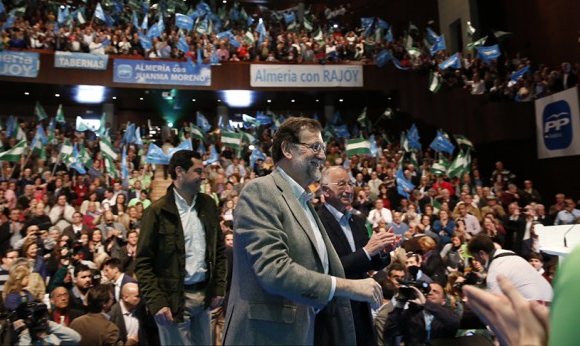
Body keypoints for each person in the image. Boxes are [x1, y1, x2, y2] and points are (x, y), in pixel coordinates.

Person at [223, 117, 382, 345]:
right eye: (315, 147)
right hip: (266, 335)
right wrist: (349, 287)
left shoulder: (305, 202)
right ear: (287, 149)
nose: (323, 156)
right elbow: (273, 270)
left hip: (304, 332)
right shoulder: (260, 191)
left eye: (323, 148)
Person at [136, 150, 226, 345]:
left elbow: (218, 249)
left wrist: (219, 286)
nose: (203, 176)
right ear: (179, 171)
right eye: (198, 171)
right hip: (172, 300)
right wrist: (156, 302)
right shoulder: (156, 211)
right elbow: (143, 262)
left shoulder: (208, 204)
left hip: (204, 298)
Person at [317, 166, 399, 345]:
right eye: (341, 184)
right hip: (334, 309)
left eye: (350, 184)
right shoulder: (316, 223)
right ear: (325, 190)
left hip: (361, 307)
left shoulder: (359, 221)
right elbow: (329, 268)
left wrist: (383, 252)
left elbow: (370, 263)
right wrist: (367, 251)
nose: (348, 189)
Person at [467, 234, 553, 302]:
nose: (475, 260)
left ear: (481, 253)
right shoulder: (508, 253)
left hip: (538, 308)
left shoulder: (495, 271)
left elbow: (498, 308)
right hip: (549, 301)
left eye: (474, 256)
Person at [384, 281, 460, 345]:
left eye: (435, 291)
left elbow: (454, 322)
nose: (430, 293)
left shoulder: (447, 314)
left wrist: (426, 303)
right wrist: (399, 305)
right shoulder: (412, 314)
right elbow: (390, 330)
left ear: (443, 301)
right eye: (428, 290)